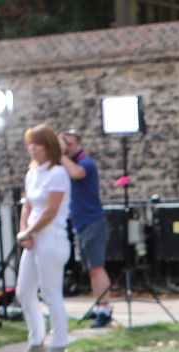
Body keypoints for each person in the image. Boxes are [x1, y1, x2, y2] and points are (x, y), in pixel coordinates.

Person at [14, 123, 72, 352]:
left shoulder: (58, 173)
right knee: (24, 291)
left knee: (51, 293)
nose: (33, 149)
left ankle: (58, 344)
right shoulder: (33, 173)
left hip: (52, 237)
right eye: (31, 144)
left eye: (37, 144)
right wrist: (24, 231)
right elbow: (28, 206)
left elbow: (50, 211)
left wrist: (29, 231)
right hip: (35, 237)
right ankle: (36, 340)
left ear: (48, 147)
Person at [60, 128, 113, 327]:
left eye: (69, 145)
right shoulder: (70, 163)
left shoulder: (85, 163)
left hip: (93, 221)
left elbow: (76, 173)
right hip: (81, 223)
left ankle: (105, 310)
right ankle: (99, 306)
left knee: (97, 268)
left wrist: (60, 154)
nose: (66, 149)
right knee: (91, 269)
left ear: (78, 144)